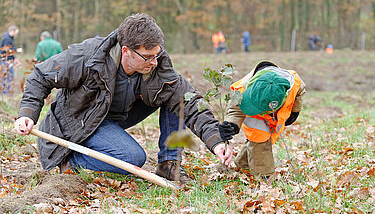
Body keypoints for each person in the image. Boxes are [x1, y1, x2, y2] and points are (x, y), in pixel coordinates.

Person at [14, 13, 233, 183]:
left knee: (175, 96)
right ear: (126, 51)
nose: (154, 62)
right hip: (78, 123)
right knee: (132, 158)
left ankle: (169, 163)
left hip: (114, 118)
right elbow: (40, 75)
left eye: (157, 54)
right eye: (147, 56)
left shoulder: (157, 66)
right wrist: (27, 113)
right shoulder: (89, 56)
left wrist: (216, 142)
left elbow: (190, 101)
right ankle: (72, 161)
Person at [219, 60, 306, 178]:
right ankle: (264, 177)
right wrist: (231, 124)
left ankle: (243, 164)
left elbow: (299, 92)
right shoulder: (243, 87)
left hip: (275, 118)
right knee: (259, 141)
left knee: (261, 140)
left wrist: (295, 111)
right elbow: (236, 107)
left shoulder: (294, 82)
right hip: (256, 119)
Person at [0, 25, 21, 93]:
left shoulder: (9, 38)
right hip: (5, 61)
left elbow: (10, 53)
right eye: (16, 33)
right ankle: (5, 93)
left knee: (8, 77)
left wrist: (15, 59)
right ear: (12, 31)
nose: (16, 35)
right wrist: (16, 50)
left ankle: (6, 92)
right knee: (7, 77)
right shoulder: (7, 38)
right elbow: (7, 50)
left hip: (7, 60)